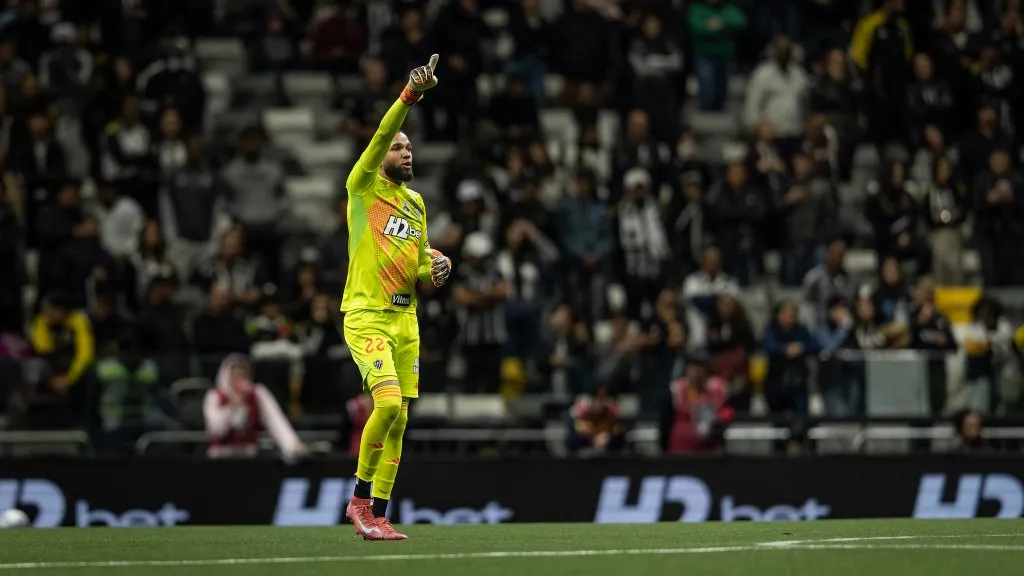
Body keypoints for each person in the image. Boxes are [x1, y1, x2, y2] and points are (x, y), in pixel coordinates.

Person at [341, 55, 451, 542]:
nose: (406, 152)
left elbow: (416, 259)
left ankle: (380, 514)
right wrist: (410, 94)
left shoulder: (415, 203)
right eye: (399, 147)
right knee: (384, 407)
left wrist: (436, 264)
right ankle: (360, 501)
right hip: (367, 316)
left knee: (401, 422)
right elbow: (384, 133)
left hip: (407, 323)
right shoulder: (363, 187)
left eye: (410, 148)